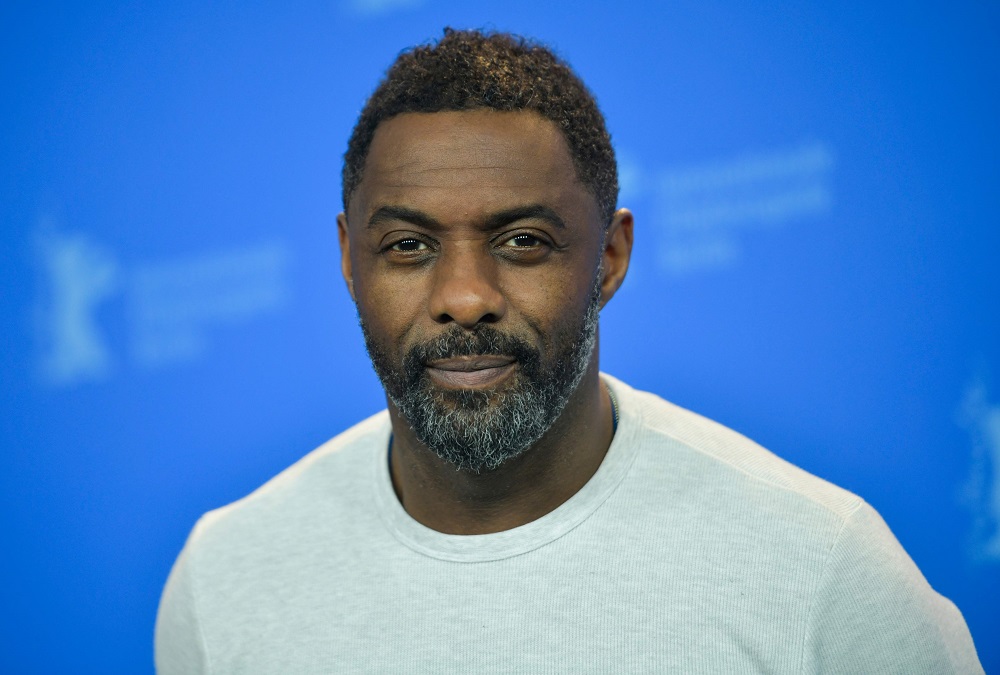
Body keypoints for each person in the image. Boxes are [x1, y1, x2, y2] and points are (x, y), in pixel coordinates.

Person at [155, 29, 982, 673]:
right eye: (408, 245)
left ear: (610, 258)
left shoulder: (820, 570)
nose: (464, 296)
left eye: (521, 240)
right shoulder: (227, 576)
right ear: (347, 258)